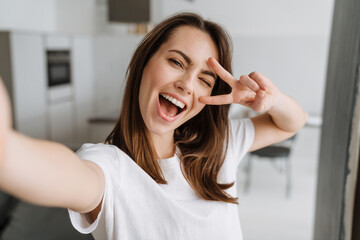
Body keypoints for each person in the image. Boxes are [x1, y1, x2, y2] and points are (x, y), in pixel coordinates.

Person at [0, 12, 308, 240]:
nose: (187, 84)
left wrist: (270, 99)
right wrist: (6, 150)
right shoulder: (110, 167)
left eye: (204, 79)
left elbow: (291, 123)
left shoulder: (219, 146)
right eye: (176, 62)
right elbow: (55, 173)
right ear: (144, 62)